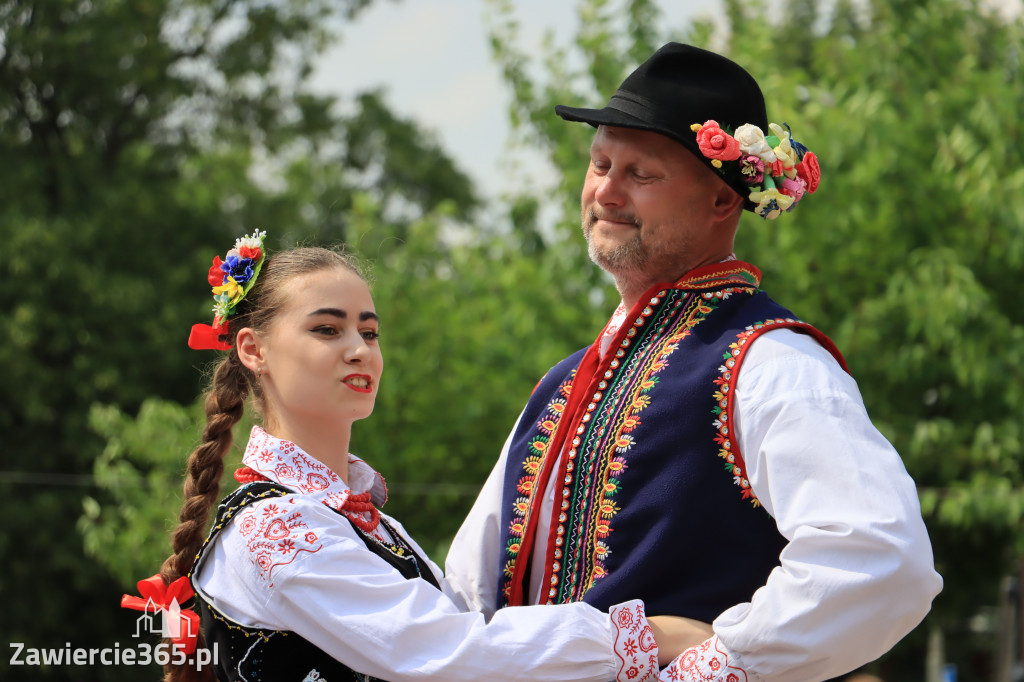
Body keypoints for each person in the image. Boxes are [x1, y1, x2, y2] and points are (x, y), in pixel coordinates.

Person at [443, 42, 943, 681]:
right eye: (600, 164)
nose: (607, 192)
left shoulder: (769, 362)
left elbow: (879, 560)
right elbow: (465, 596)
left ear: (722, 201)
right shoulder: (564, 381)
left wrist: (710, 666)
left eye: (641, 175)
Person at [121, 231, 701, 682]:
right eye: (327, 330)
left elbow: (461, 635)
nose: (358, 350)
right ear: (254, 349)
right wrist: (640, 635)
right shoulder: (275, 528)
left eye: (369, 333)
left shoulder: (359, 518)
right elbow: (445, 652)